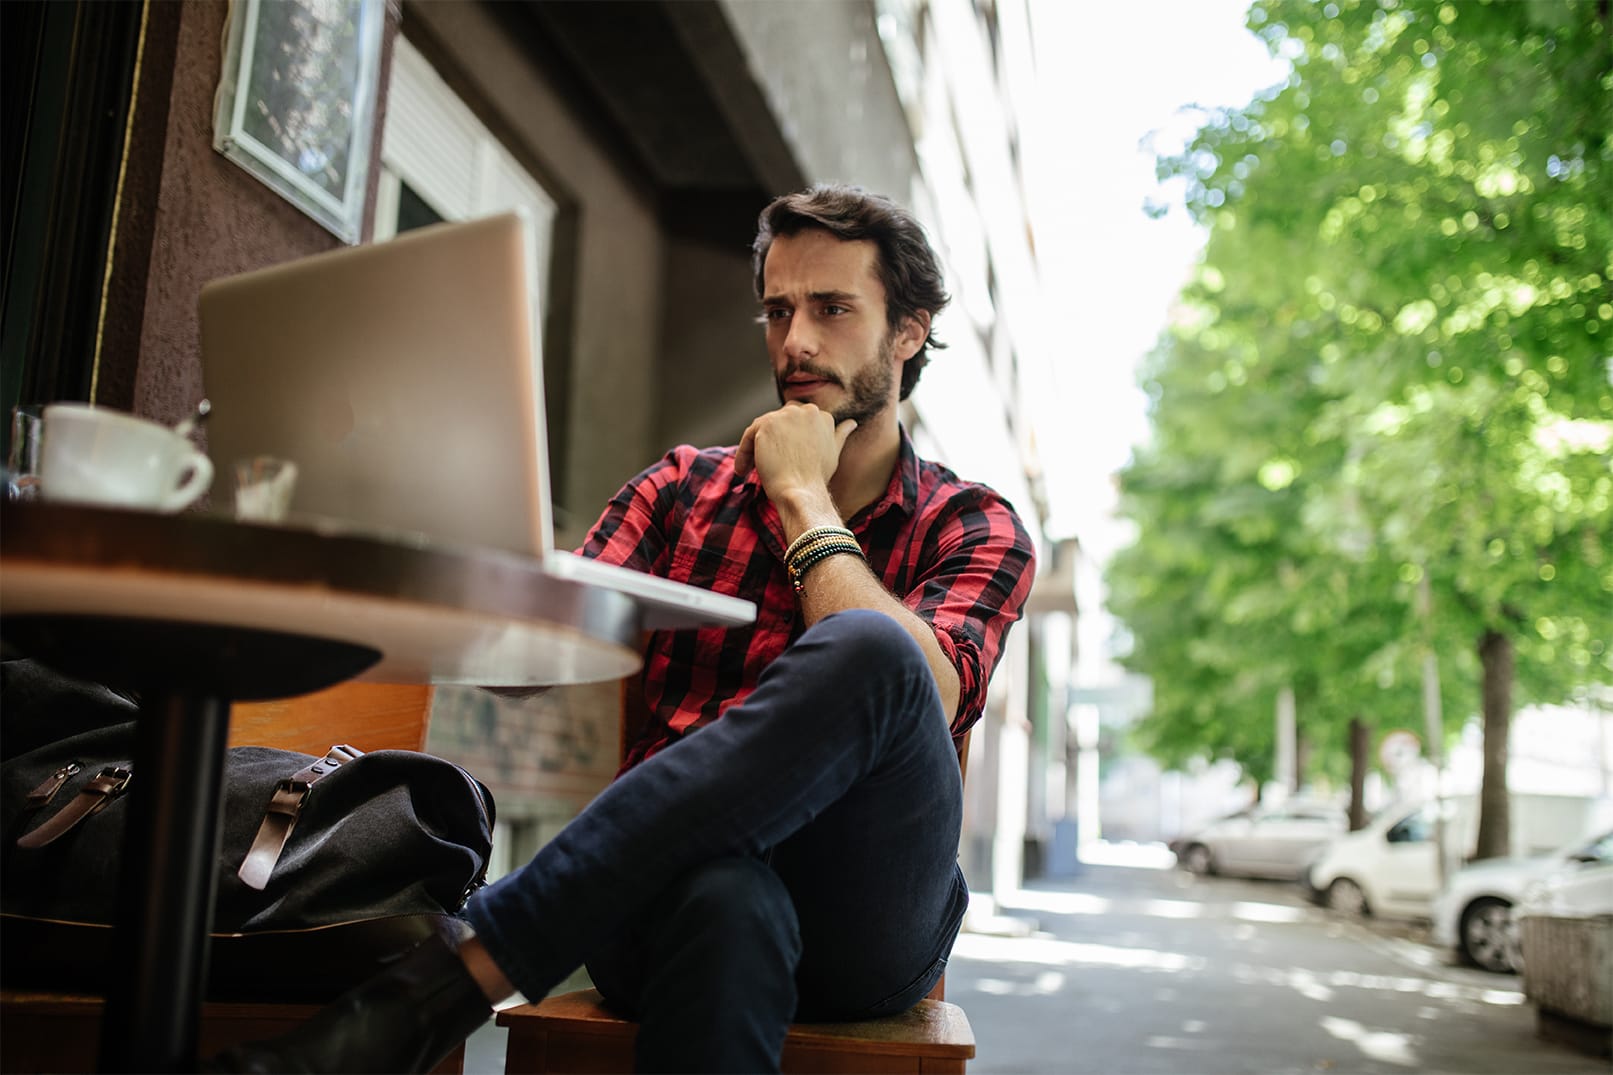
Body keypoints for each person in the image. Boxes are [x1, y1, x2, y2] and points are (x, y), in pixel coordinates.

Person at [216, 184, 1036, 1074]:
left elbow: (931, 688)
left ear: (907, 331)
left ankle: (446, 983)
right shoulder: (680, 488)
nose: (794, 342)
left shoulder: (972, 524)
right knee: (727, 898)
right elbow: (522, 666)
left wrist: (801, 497)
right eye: (777, 309)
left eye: (832, 309)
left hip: (865, 912)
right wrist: (440, 537)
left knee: (876, 649)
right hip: (660, 893)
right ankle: (427, 996)